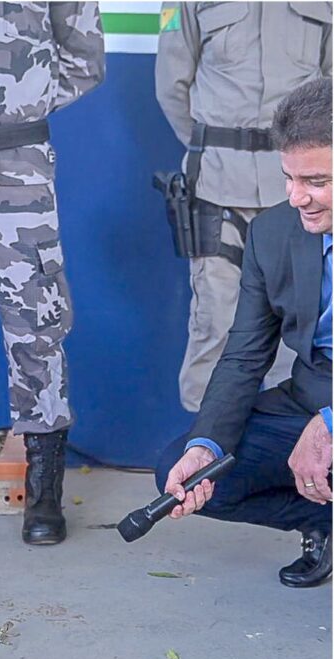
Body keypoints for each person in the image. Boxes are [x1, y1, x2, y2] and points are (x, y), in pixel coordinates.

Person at [156, 78, 333, 589]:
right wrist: (206, 447)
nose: (297, 197)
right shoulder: (272, 233)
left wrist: (330, 423)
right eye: (289, 178)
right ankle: (320, 521)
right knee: (184, 466)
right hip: (310, 392)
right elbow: (244, 356)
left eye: (316, 181)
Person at [0, 2, 105, 545]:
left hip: (17, 160)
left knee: (36, 321)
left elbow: (85, 59)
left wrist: (21, 103)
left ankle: (43, 489)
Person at [156, 2, 332, 413]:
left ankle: (288, 457)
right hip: (219, 185)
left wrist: (305, 165)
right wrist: (213, 147)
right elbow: (171, 85)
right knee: (214, 324)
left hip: (294, 191)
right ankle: (203, 454)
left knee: (299, 327)